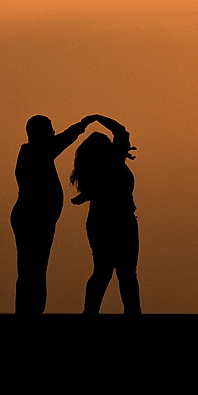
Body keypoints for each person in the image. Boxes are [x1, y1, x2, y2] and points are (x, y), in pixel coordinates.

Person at [11, 113, 98, 314]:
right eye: (49, 128)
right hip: (32, 220)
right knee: (33, 269)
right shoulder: (35, 151)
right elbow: (64, 139)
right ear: (38, 133)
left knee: (33, 268)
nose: (52, 132)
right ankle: (29, 312)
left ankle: (29, 310)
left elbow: (61, 139)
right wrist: (83, 124)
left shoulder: (35, 151)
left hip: (38, 219)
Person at [70, 115, 141, 314]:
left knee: (103, 272)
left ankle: (90, 313)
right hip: (121, 223)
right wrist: (96, 117)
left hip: (101, 223)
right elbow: (121, 131)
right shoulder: (113, 162)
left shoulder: (97, 170)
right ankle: (133, 314)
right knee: (125, 274)